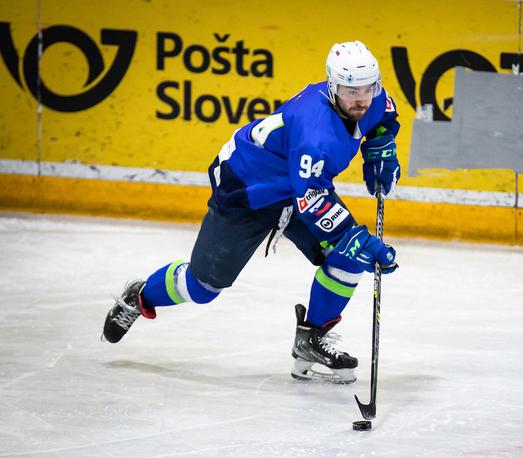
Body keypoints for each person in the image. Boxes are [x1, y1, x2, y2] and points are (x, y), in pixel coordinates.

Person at [102, 41, 401, 384]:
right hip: (247, 190)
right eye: (351, 91)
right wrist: (354, 236)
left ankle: (311, 341)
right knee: (203, 287)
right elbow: (313, 200)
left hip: (295, 187)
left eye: (368, 88)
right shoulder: (314, 132)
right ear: (333, 87)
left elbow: (384, 117)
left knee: (348, 257)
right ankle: (138, 297)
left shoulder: (371, 98)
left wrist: (381, 141)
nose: (361, 99)